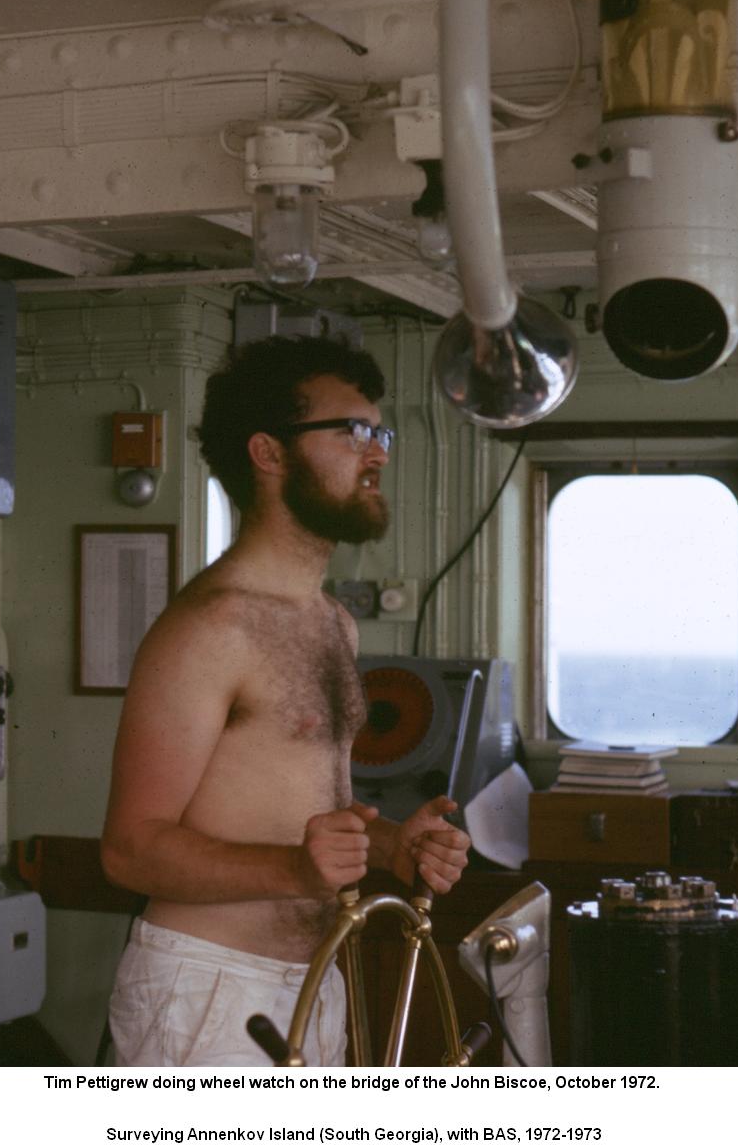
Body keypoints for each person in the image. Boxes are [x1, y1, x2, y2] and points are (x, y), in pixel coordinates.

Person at [101, 334, 472, 1066]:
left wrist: (394, 845)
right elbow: (128, 848)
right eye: (353, 432)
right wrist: (295, 872)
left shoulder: (332, 620)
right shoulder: (207, 627)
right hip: (207, 992)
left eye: (380, 431)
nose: (379, 454)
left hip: (312, 980)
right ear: (268, 454)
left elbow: (288, 808)